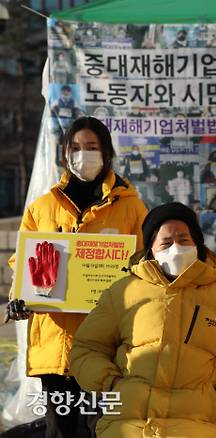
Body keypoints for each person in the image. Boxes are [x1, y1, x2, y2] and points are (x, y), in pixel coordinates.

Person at [70, 202, 216, 437]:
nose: (176, 249)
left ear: (197, 245)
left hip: (197, 425)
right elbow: (86, 349)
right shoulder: (122, 293)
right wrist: (111, 384)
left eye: (184, 240)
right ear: (150, 249)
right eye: (166, 242)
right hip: (127, 424)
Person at [5, 116, 148, 438]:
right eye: (76, 148)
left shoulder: (132, 208)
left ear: (107, 153)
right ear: (65, 154)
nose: (84, 155)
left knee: (109, 428)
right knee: (61, 431)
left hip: (109, 344)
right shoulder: (41, 208)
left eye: (92, 147)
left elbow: (145, 265)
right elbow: (23, 265)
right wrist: (21, 299)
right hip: (56, 345)